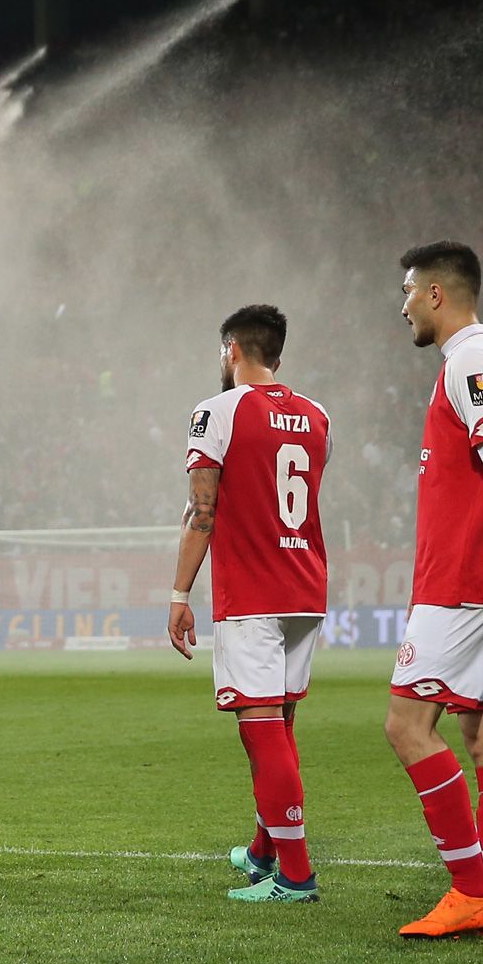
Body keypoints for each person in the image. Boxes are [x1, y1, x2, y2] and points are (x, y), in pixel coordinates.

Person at [384, 241, 483, 940]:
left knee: (407, 727)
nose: (403, 304)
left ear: (438, 294)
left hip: (465, 581)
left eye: (410, 291)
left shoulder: (472, 359)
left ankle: (472, 892)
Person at [168, 304, 330, 903]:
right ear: (278, 355)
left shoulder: (216, 412)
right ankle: (264, 851)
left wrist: (180, 593)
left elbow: (202, 512)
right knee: (280, 724)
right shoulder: (318, 417)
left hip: (254, 593)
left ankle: (295, 873)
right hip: (305, 587)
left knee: (259, 728)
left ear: (231, 348)